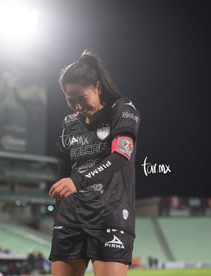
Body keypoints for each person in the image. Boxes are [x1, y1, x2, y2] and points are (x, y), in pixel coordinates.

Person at [48, 50, 140, 276]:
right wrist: (59, 211)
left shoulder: (122, 109)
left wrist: (78, 181)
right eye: (71, 100)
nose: (77, 106)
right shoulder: (68, 124)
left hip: (110, 216)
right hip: (70, 220)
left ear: (97, 88)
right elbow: (63, 173)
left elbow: (120, 155)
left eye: (82, 98)